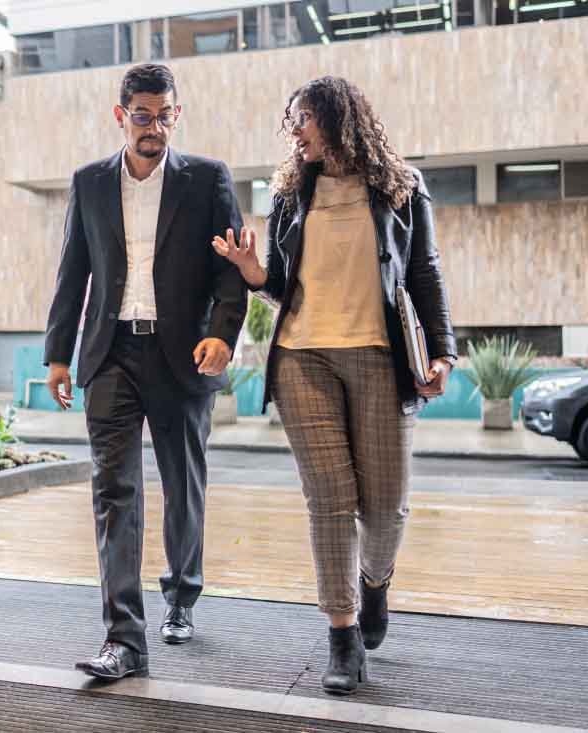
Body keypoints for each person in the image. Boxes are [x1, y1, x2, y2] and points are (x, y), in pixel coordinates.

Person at [212, 76, 456, 695]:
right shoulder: (292, 192)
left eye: (303, 119)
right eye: (292, 121)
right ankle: (342, 637)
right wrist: (252, 272)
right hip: (303, 358)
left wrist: (443, 353)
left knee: (385, 508)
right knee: (329, 500)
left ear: (337, 118)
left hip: (379, 356)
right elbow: (281, 284)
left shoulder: (402, 188)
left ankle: (376, 584)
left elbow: (424, 273)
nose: (295, 131)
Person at [44, 63, 247, 681]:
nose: (154, 127)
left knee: (183, 483)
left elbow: (229, 271)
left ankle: (182, 594)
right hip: (110, 354)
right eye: (143, 116)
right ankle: (124, 639)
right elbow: (72, 270)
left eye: (165, 116)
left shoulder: (207, 179)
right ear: (121, 116)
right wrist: (58, 354)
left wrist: (222, 334)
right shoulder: (89, 182)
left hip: (182, 354)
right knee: (114, 493)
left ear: (176, 115)